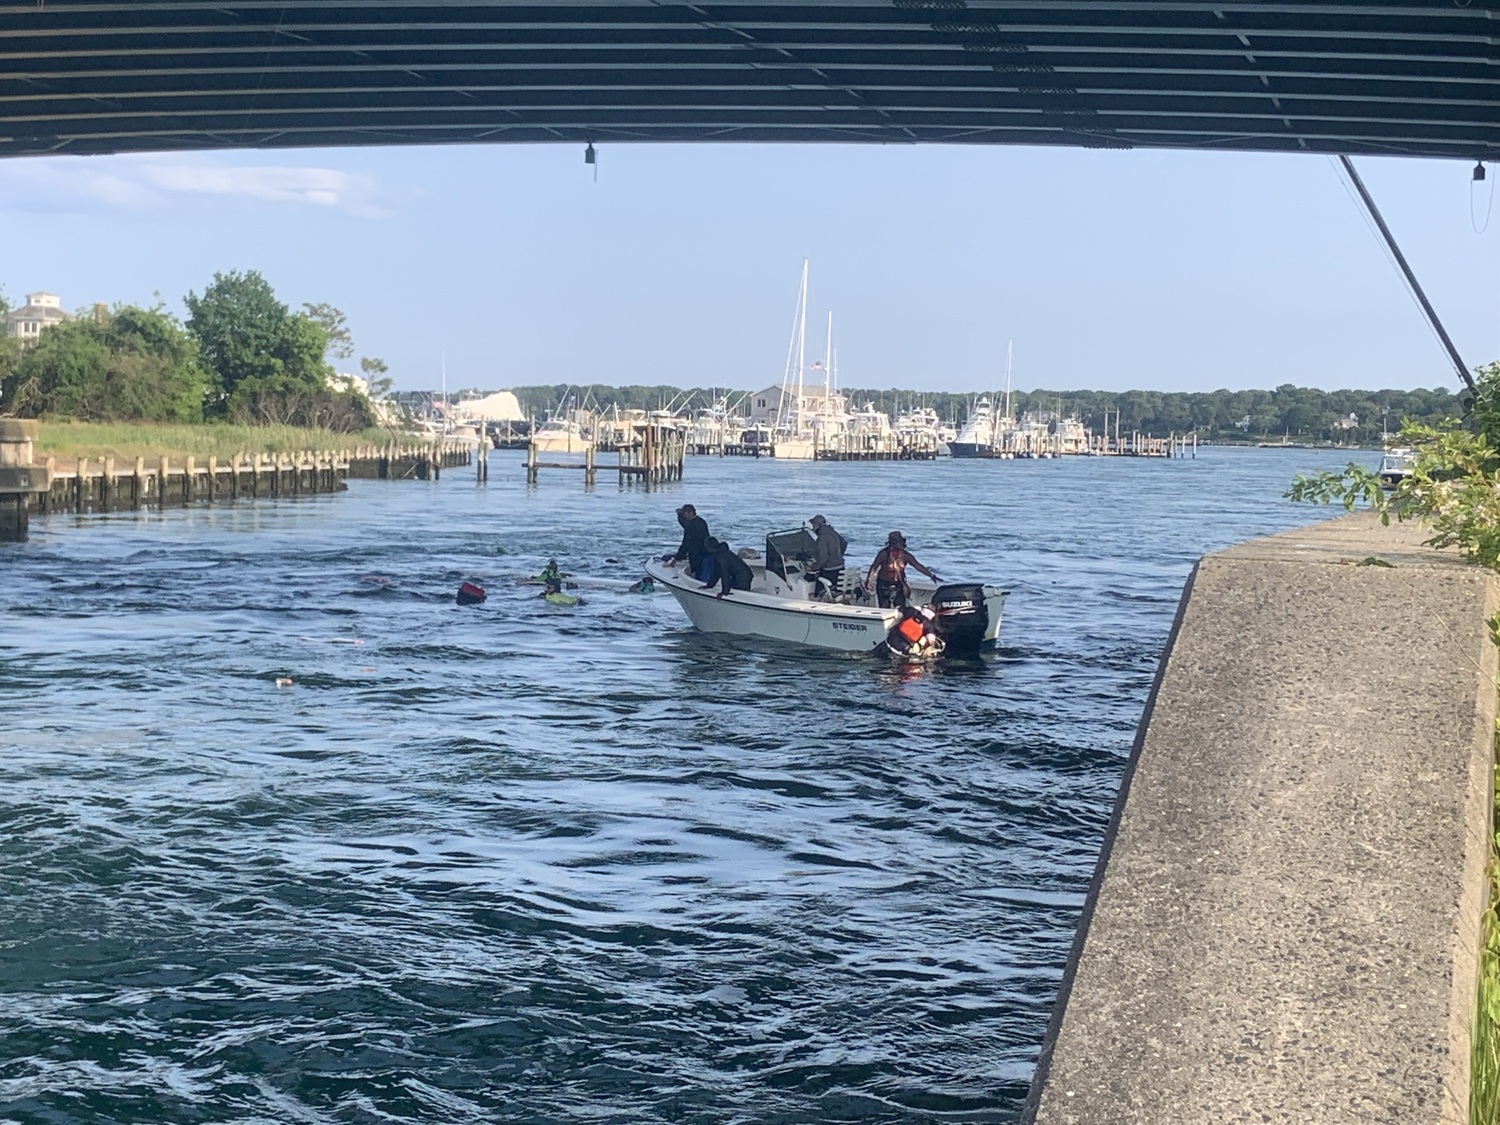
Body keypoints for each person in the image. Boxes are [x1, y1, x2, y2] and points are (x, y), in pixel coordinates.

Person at [865, 531, 939, 609]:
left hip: (899, 584)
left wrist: (931, 575)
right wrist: (869, 580)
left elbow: (918, 566)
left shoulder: (905, 555)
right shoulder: (883, 554)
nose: (901, 544)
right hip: (883, 583)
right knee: (884, 607)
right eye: (899, 542)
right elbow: (874, 567)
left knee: (901, 608)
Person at [804, 515, 846, 598]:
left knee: (818, 587)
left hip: (830, 571)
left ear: (816, 525)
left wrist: (813, 567)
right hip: (840, 567)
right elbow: (844, 543)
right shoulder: (832, 532)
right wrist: (837, 555)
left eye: (813, 525)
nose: (812, 528)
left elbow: (823, 558)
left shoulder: (822, 537)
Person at [666, 504, 710, 577]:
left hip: (698, 554)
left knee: (697, 572)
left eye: (684, 515)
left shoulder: (692, 526)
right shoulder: (700, 521)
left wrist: (677, 557)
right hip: (703, 553)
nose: (684, 518)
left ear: (691, 513)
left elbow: (686, 542)